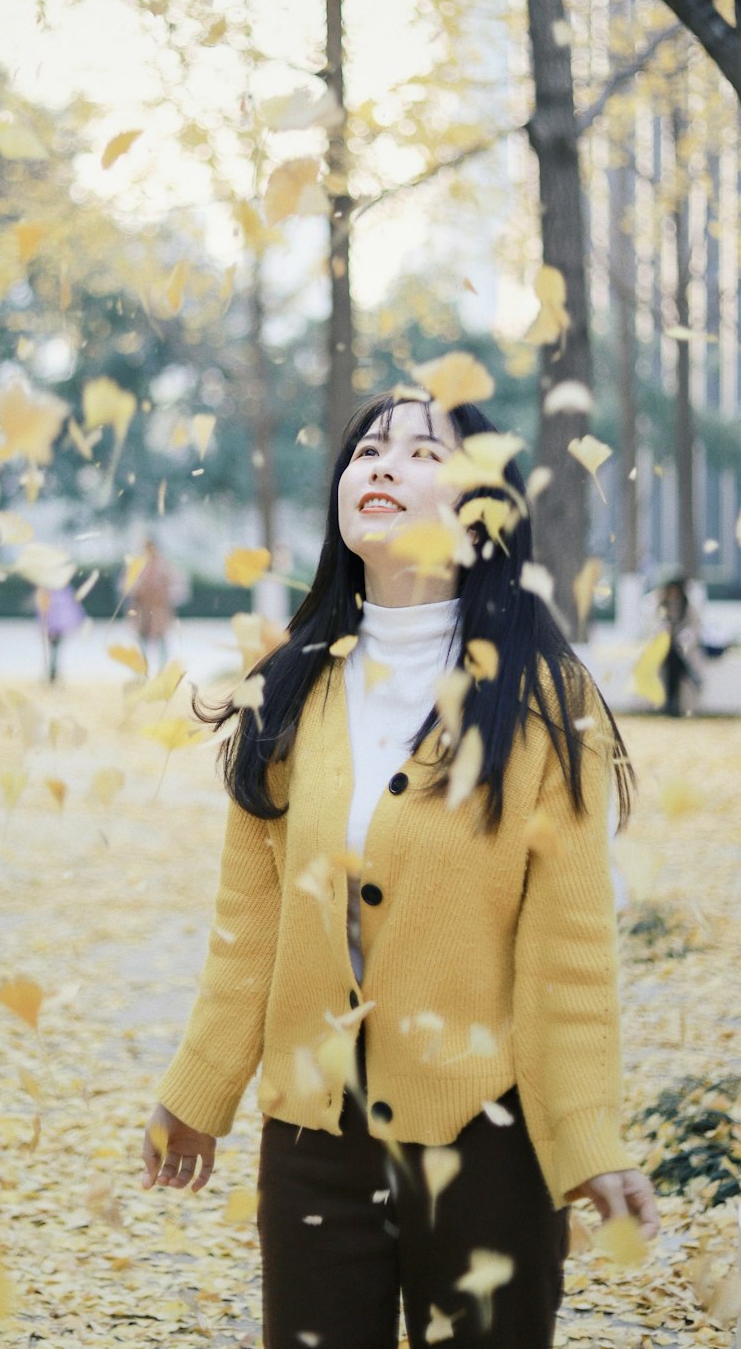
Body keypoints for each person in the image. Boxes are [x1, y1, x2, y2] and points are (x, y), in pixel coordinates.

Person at [141, 391, 659, 1349]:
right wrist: (199, 1089)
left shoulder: (546, 701)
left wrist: (586, 1139)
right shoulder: (290, 686)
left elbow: (570, 953)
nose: (381, 465)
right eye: (366, 449)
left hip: (488, 1148)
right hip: (312, 1145)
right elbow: (247, 928)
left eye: (424, 452)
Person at [648, 570, 703, 717]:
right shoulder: (659, 604)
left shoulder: (688, 607)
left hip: (681, 646)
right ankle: (688, 673)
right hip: (664, 645)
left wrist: (681, 637)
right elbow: (653, 625)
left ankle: (671, 703)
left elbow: (694, 628)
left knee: (673, 657)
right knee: (672, 658)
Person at [124, 538, 182, 669]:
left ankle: (162, 668)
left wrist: (162, 594)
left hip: (158, 607)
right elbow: (129, 585)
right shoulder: (138, 565)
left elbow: (174, 586)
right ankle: (144, 667)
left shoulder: (163, 565)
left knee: (161, 637)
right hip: (142, 607)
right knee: (142, 638)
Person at [34, 583, 85, 683]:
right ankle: (52, 674)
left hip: (55, 623)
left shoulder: (53, 588)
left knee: (54, 648)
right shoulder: (57, 588)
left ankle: (52, 674)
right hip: (55, 623)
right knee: (54, 648)